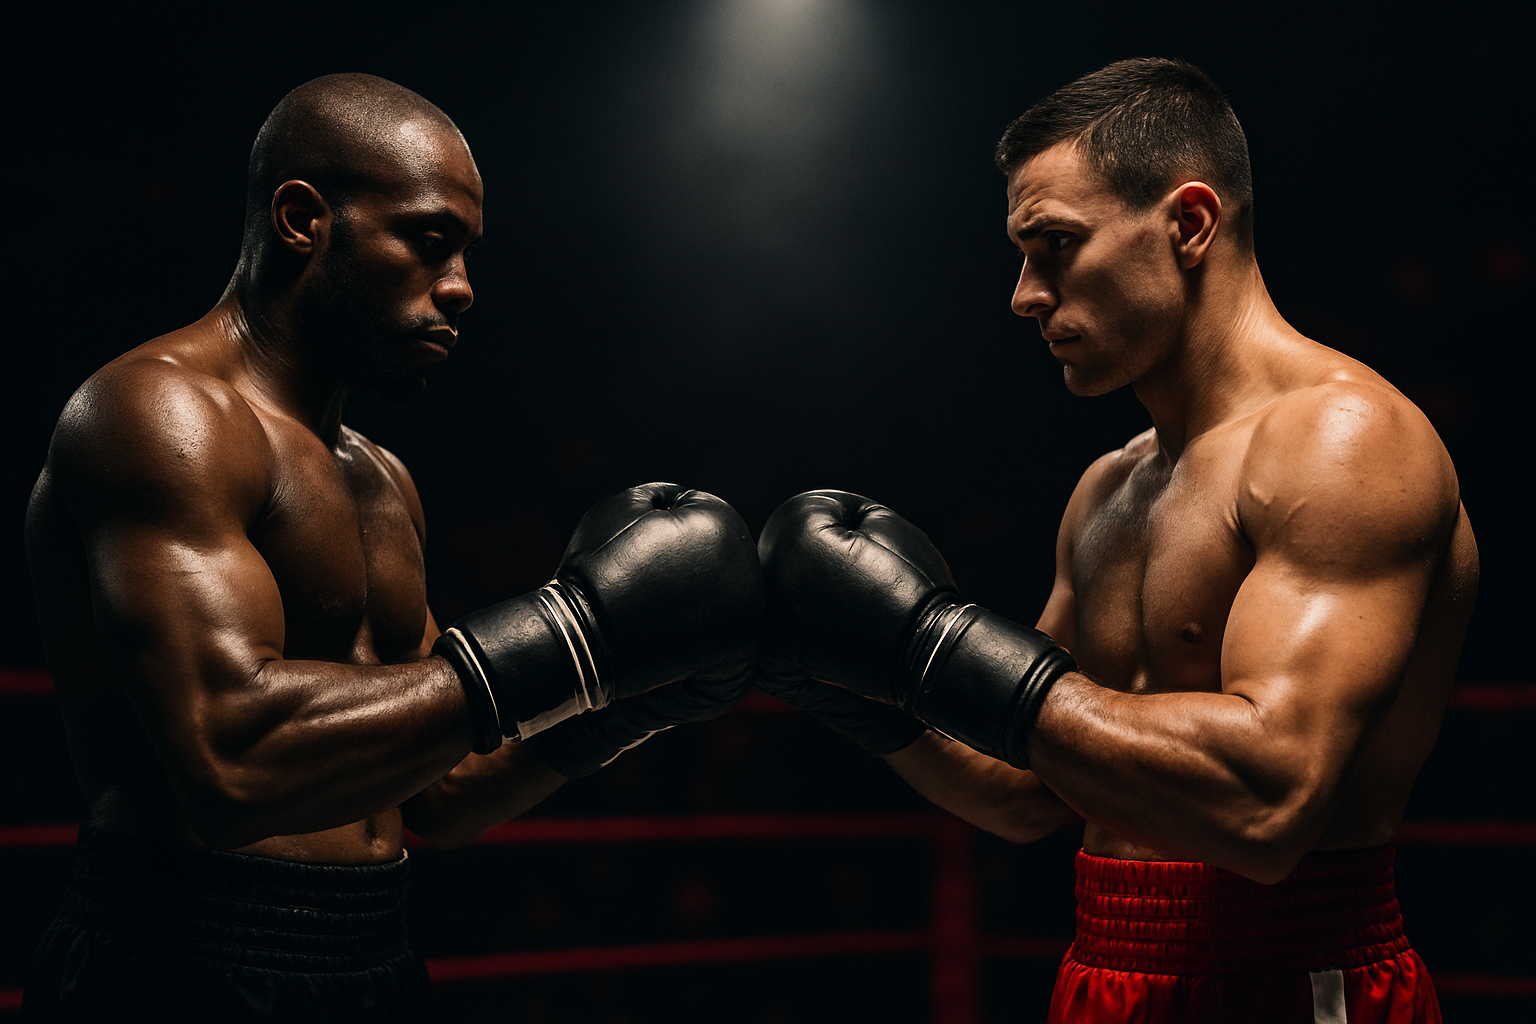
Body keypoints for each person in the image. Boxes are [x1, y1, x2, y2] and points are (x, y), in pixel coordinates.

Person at [21, 73, 762, 1022]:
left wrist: (620, 698)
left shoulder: (379, 478)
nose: (458, 287)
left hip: (374, 959)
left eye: (466, 253)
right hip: (178, 964)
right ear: (303, 220)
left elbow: (441, 791)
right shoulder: (160, 416)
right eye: (428, 239)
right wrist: (575, 634)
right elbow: (230, 759)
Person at [756, 58, 1476, 1023]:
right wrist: (853, 680)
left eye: (1055, 245)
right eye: (1021, 255)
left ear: (1188, 225)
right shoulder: (1108, 490)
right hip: (1103, 972)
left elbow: (1271, 798)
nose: (1023, 294)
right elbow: (1025, 788)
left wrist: (936, 641)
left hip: (1298, 977)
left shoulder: (1344, 442)